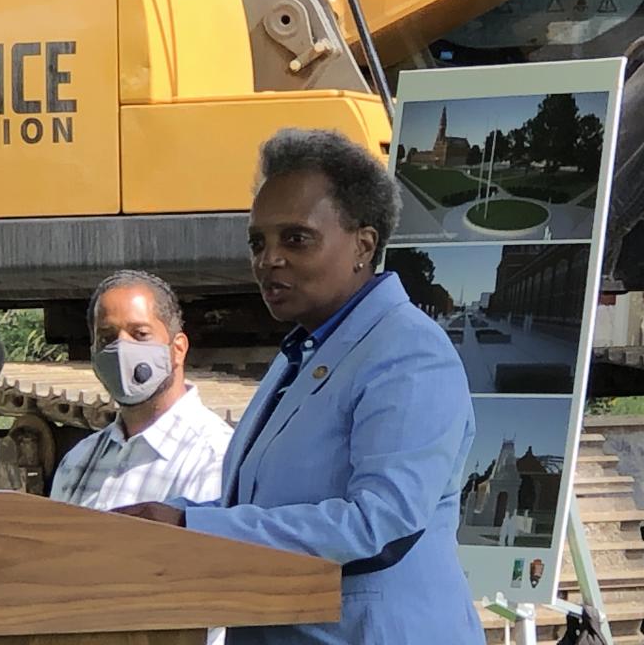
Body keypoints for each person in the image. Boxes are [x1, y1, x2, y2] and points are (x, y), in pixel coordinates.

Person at [114, 129, 484, 644]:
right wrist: (178, 517)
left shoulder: (407, 351)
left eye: (296, 238)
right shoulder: (304, 353)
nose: (270, 259)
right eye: (257, 243)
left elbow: (380, 526)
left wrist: (193, 529)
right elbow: (263, 512)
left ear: (364, 244)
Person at [49, 270, 233, 645]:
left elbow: (207, 602)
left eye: (140, 334)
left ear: (177, 348)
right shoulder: (79, 461)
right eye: (106, 337)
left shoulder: (214, 457)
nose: (121, 349)